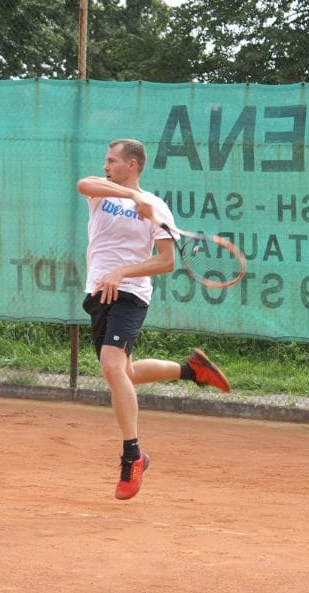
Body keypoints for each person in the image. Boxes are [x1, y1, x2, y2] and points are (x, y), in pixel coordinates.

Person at [76, 138, 231, 501]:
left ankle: (133, 456)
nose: (106, 166)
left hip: (130, 296)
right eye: (105, 160)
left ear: (133, 165)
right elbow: (84, 183)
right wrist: (133, 199)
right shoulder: (103, 195)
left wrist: (124, 272)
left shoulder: (158, 209)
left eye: (112, 161)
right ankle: (191, 370)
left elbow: (166, 261)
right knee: (124, 374)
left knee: (113, 368)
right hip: (98, 294)